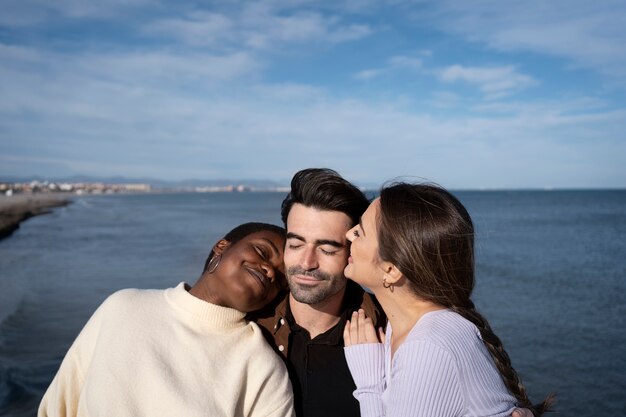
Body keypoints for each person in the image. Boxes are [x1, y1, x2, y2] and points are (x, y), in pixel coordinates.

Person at [251, 168, 532, 417]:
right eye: (296, 244)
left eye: (329, 248)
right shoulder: (249, 326)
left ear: (391, 269)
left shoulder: (413, 341)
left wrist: (370, 383)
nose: (307, 262)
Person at [38, 222, 295, 417]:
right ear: (222, 246)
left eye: (281, 279)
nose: (270, 270)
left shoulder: (261, 367)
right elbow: (54, 409)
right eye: (262, 251)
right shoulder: (123, 308)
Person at [343, 182, 554, 416]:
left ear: (392, 270)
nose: (347, 234)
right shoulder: (406, 326)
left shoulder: (426, 347)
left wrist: (370, 386)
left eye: (359, 232)